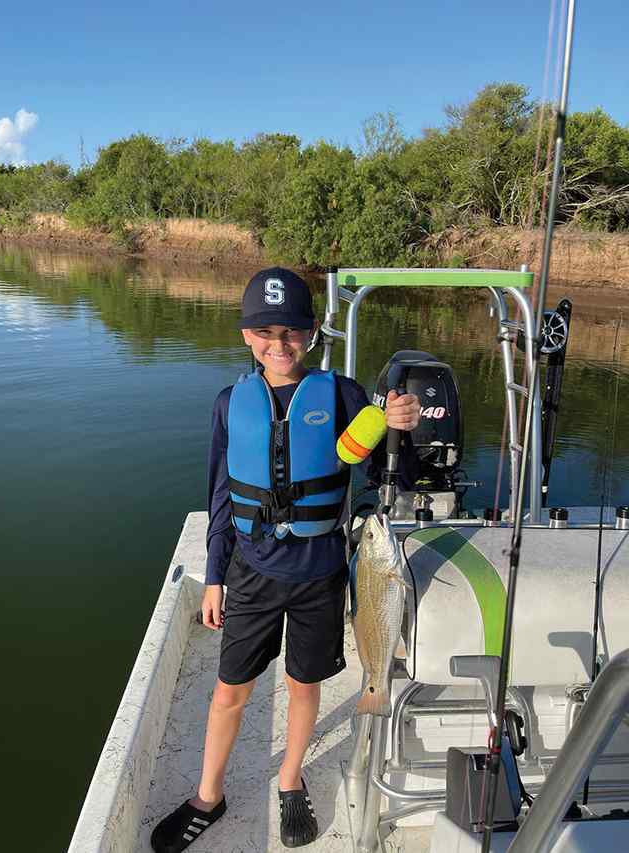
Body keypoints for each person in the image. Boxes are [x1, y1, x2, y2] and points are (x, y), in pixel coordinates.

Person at [151, 267, 420, 852]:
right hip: (250, 571)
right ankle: (208, 794)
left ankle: (291, 777)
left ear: (313, 333)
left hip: (320, 573)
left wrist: (398, 426)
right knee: (230, 690)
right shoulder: (230, 404)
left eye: (293, 331)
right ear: (247, 336)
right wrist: (215, 576)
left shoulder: (344, 394)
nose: (280, 344)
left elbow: (375, 473)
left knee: (303, 684)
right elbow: (220, 497)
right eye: (266, 332)